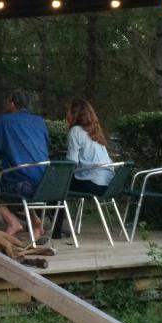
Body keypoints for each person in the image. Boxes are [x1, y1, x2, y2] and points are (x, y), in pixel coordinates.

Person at [0, 89, 50, 240]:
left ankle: (12, 222)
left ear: (11, 103)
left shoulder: (5, 121)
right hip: (45, 183)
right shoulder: (40, 122)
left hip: (23, 183)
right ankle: (35, 222)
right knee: (22, 178)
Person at [57, 99, 114, 238]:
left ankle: (55, 231)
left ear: (74, 114)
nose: (67, 114)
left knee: (56, 187)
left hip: (92, 183)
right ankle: (55, 227)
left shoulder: (75, 131)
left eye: (68, 111)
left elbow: (71, 163)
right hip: (108, 184)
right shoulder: (96, 131)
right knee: (61, 186)